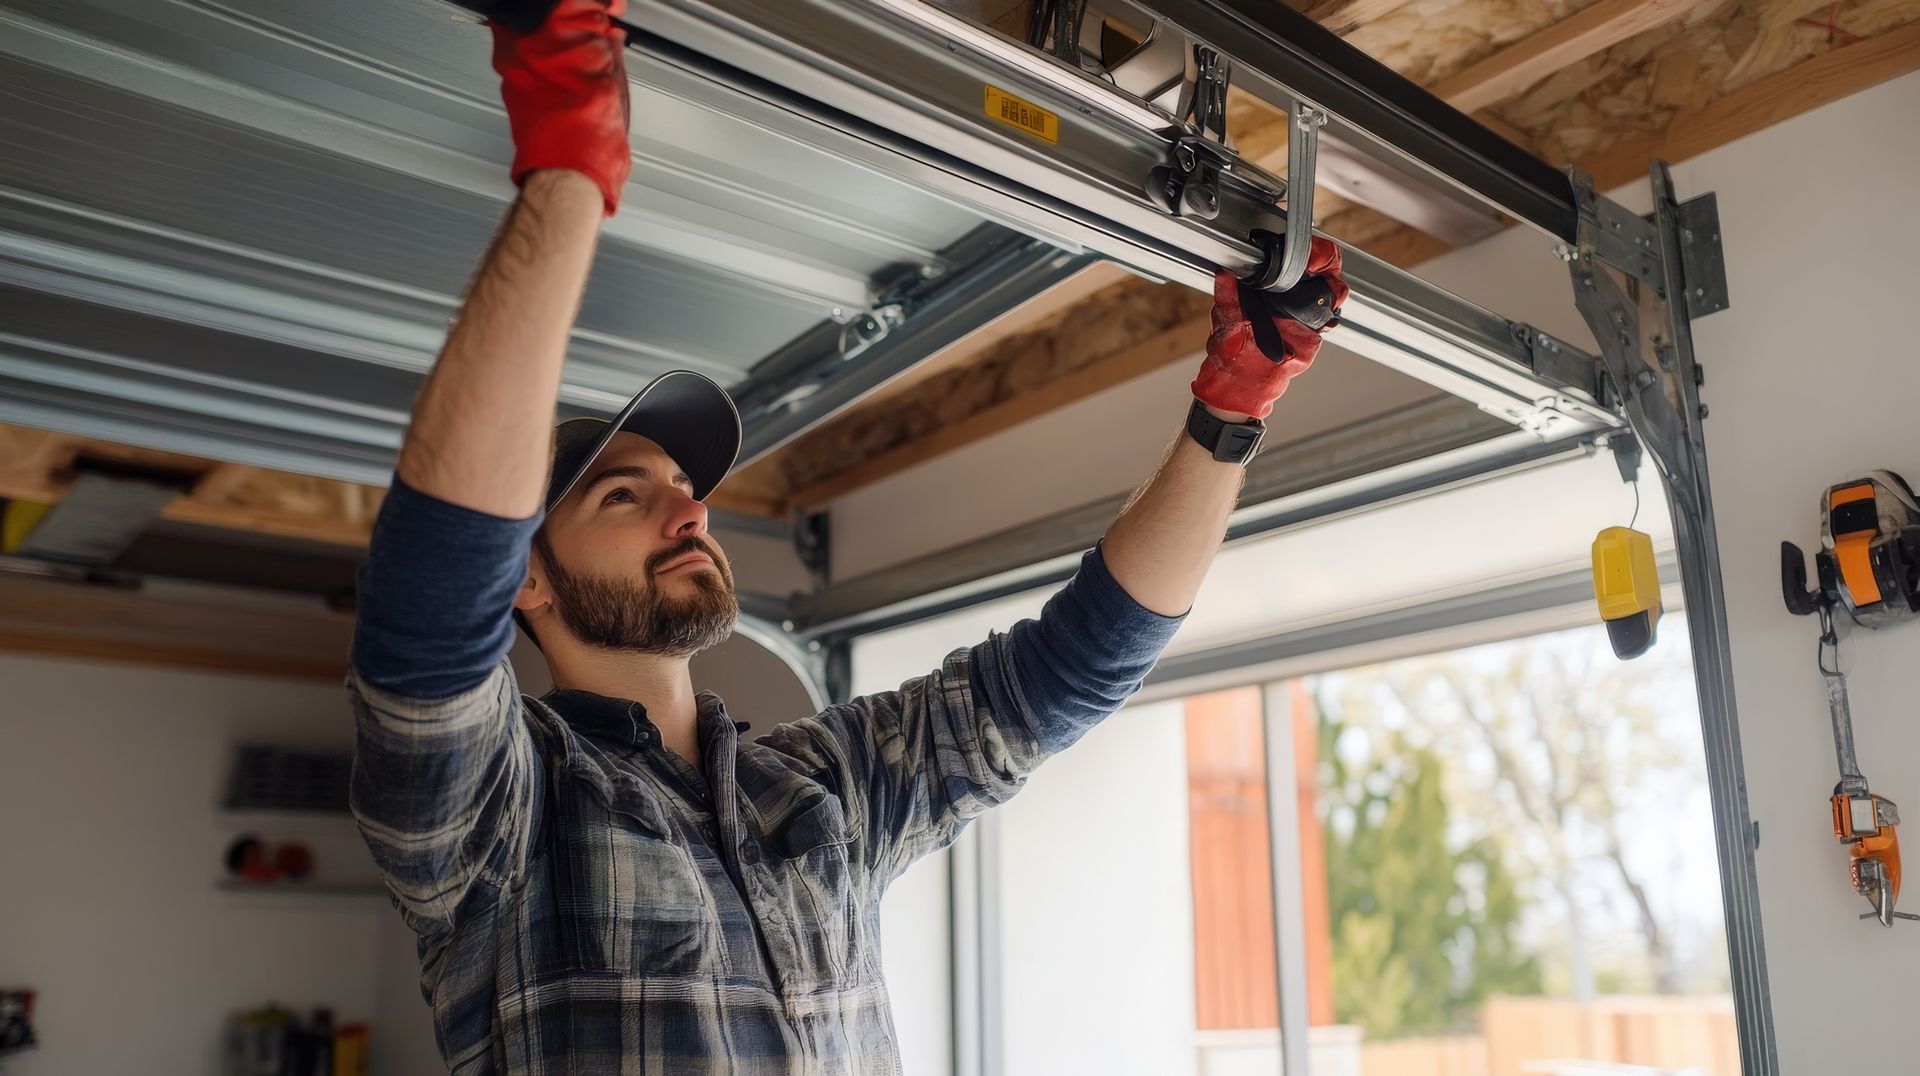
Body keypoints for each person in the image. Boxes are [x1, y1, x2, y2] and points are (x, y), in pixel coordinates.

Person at [344, 0, 1350, 1072]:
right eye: (622, 496)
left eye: (686, 486)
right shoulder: (505, 813)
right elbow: (429, 608)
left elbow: (1077, 666)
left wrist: (1235, 399)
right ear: (526, 583)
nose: (689, 508)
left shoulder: (819, 784)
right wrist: (569, 164)